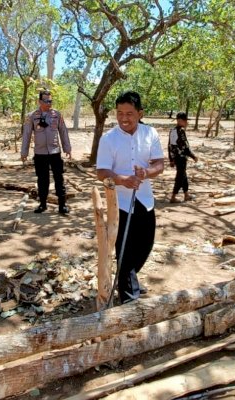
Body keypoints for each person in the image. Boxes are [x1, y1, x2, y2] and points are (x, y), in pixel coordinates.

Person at [96, 91, 165, 304]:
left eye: (129, 114)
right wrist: (122, 179)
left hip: (145, 200)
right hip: (121, 204)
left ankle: (129, 278)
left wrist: (146, 173)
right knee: (124, 251)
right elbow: (102, 171)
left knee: (145, 245)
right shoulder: (108, 139)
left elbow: (159, 165)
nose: (124, 119)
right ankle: (129, 300)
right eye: (119, 113)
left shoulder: (150, 133)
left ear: (140, 113)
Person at [21, 90, 72, 214]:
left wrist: (67, 148)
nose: (49, 103)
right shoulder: (32, 116)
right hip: (40, 154)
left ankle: (62, 205)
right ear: (39, 101)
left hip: (55, 152)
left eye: (50, 101)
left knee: (59, 179)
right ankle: (43, 204)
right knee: (42, 180)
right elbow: (27, 134)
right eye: (46, 101)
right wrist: (24, 152)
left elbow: (63, 132)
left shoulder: (57, 115)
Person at [168, 112, 197, 203]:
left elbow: (169, 146)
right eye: (185, 121)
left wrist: (171, 159)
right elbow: (184, 147)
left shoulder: (172, 130)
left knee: (183, 175)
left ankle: (186, 195)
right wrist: (193, 156)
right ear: (180, 121)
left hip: (176, 157)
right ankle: (173, 196)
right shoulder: (181, 131)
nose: (187, 123)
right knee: (180, 176)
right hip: (181, 157)